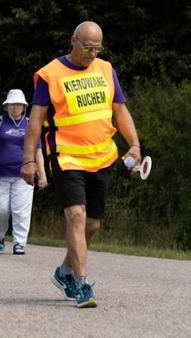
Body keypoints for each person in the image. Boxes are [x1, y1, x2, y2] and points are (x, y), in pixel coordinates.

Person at [20, 21, 141, 308]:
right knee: (75, 215)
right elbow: (35, 121)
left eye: (97, 48)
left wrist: (134, 144)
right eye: (87, 47)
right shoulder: (51, 74)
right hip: (66, 155)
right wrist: (28, 159)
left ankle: (64, 272)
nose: (92, 53)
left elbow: (120, 110)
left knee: (93, 225)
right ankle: (82, 283)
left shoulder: (105, 69)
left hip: (101, 156)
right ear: (73, 40)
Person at [0, 89, 47, 255]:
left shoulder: (30, 123)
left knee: (21, 210)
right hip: (0, 175)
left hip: (24, 175)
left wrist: (43, 173)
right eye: (12, 104)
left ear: (24, 106)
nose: (15, 107)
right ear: (7, 106)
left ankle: (19, 243)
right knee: (0, 209)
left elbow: (38, 150)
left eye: (18, 104)